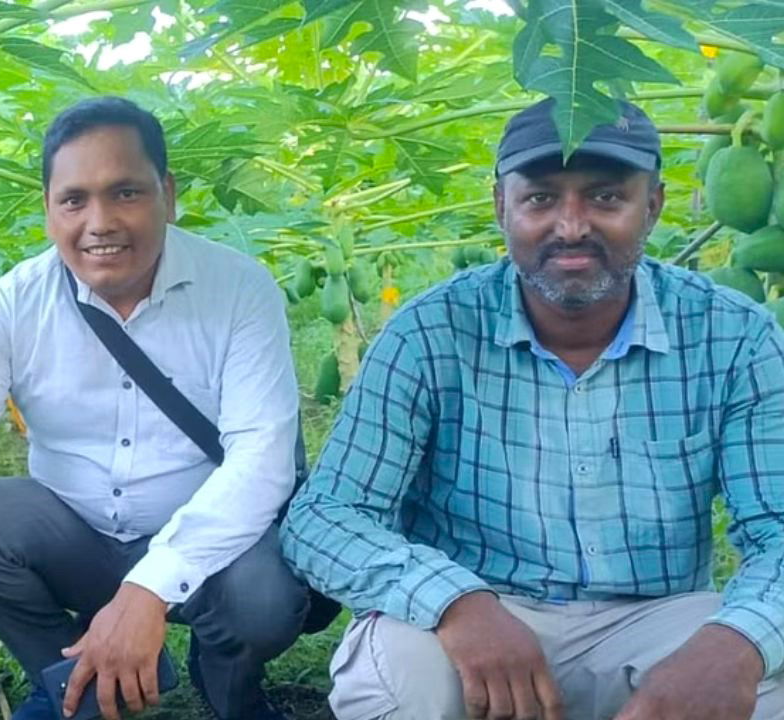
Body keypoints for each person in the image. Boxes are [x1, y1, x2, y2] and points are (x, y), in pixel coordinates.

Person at [281, 96, 784, 720]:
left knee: (765, 672)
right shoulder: (429, 331)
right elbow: (325, 515)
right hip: (474, 611)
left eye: (605, 197)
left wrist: (735, 645)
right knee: (395, 677)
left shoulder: (736, 334)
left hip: (656, 621)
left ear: (652, 204)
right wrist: (456, 603)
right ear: (501, 206)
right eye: (541, 198)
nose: (571, 226)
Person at [0, 96, 310, 720]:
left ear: (168, 191)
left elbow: (262, 461)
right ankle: (73, 684)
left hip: (210, 546)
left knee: (265, 601)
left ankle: (225, 679)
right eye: (74, 200)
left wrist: (146, 591)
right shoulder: (11, 305)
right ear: (49, 209)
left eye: (126, 193)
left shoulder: (239, 289)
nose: (99, 222)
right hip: (75, 533)